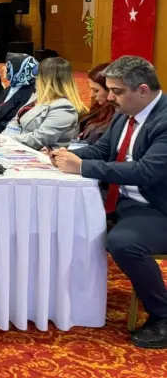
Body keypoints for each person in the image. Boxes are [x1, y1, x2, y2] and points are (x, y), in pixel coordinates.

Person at [51, 56, 167, 349]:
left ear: (143, 90)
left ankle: (162, 314)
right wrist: (59, 155)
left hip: (157, 208)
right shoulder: (125, 113)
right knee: (60, 213)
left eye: (117, 91)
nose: (110, 97)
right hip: (122, 200)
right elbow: (102, 150)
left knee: (124, 242)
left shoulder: (164, 121)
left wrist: (82, 167)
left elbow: (146, 172)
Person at [3, 57, 86, 149]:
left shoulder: (64, 107)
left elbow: (40, 138)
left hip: (39, 153)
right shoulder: (37, 96)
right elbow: (16, 120)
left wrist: (7, 139)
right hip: (16, 145)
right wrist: (4, 137)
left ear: (44, 79)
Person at [0, 53, 39, 133]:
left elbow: (7, 122)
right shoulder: (8, 89)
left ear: (19, 70)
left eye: (8, 66)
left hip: (3, 133)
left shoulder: (29, 94)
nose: (4, 68)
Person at [76, 62, 116, 145]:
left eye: (96, 90)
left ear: (110, 90)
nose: (91, 95)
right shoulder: (99, 107)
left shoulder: (118, 117)